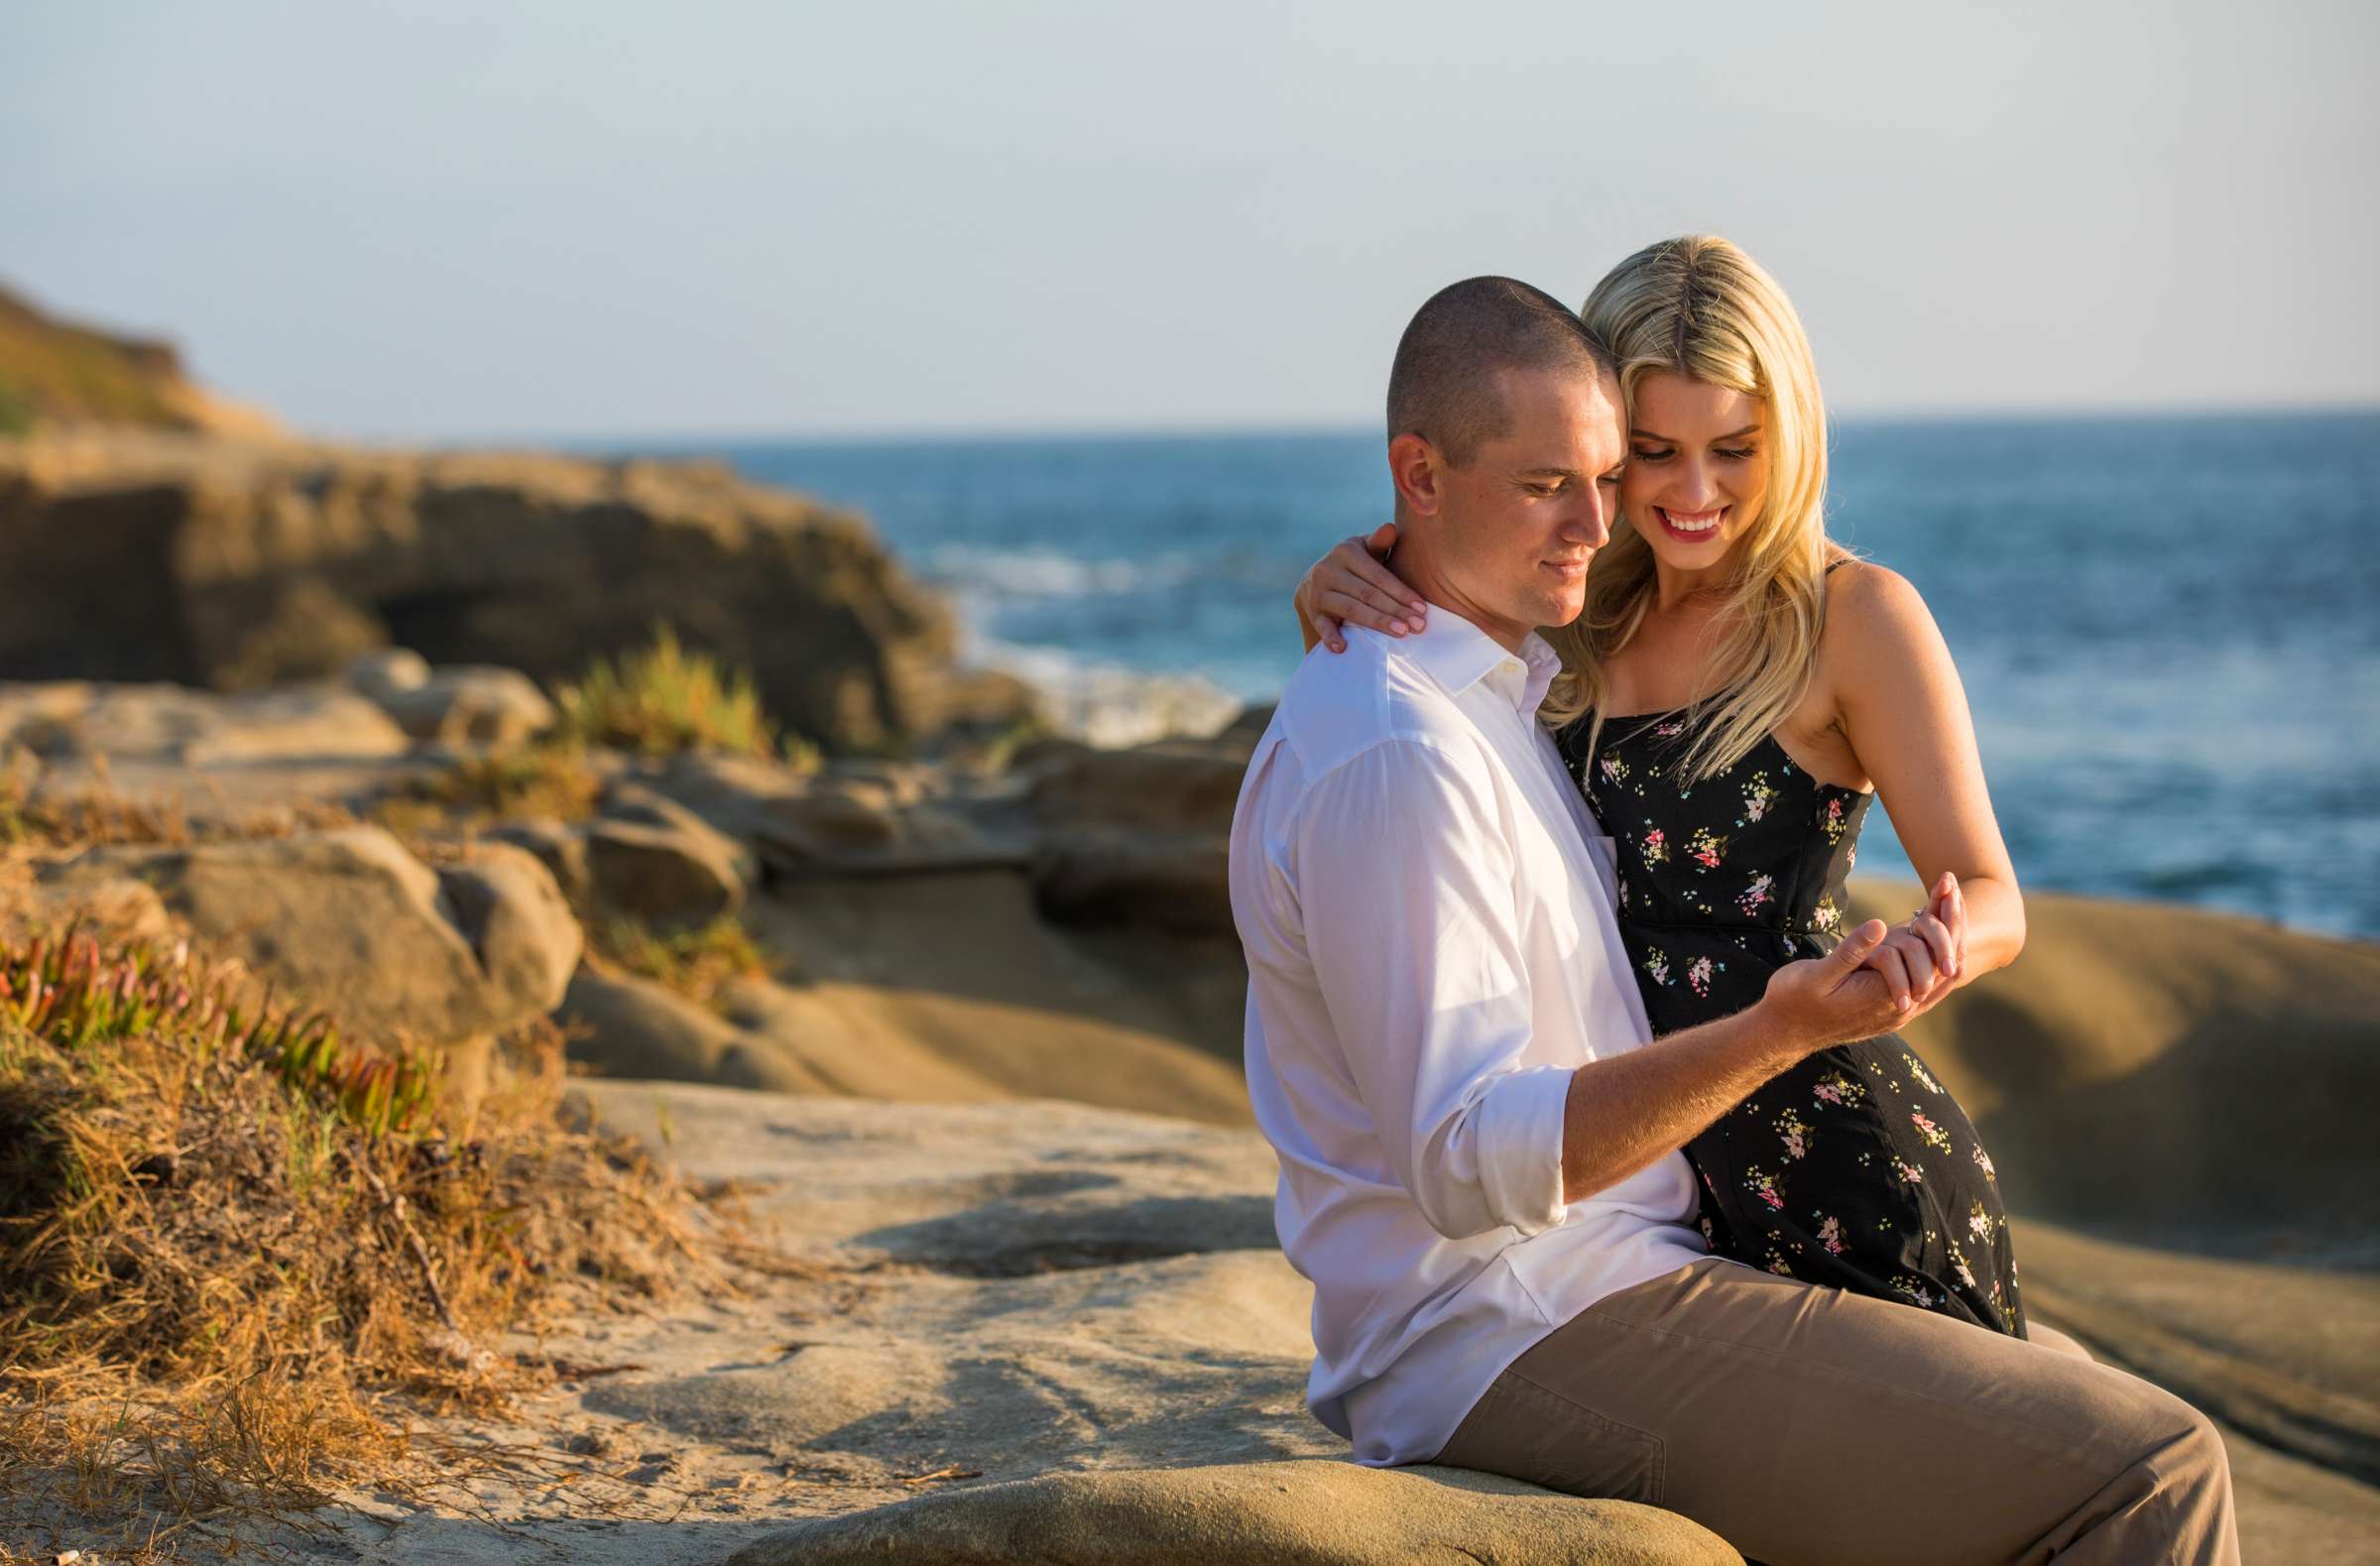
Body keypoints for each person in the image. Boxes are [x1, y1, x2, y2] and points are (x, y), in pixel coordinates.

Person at [1229, 272, 2237, 1563]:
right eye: (1613, 465)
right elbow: (1469, 1157)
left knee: (2103, 1417)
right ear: (1418, 477)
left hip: (1752, 1191)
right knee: (2155, 1465)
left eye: (1622, 473)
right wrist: (1778, 1028)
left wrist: (1903, 967)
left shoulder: (1513, 670)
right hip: (1533, 1296)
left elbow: (1987, 889)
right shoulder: (1438, 724)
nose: (1621, 513)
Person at [1295, 236, 2020, 1330]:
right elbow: (1419, 708)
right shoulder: (1570, 612)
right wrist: (1344, 584)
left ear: (1793, 437)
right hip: (1637, 1182)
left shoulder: (1852, 617)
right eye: (1652, 450)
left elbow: (1992, 892)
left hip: (1838, 1159)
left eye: (1736, 447)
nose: (1693, 491)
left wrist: (1933, 950)